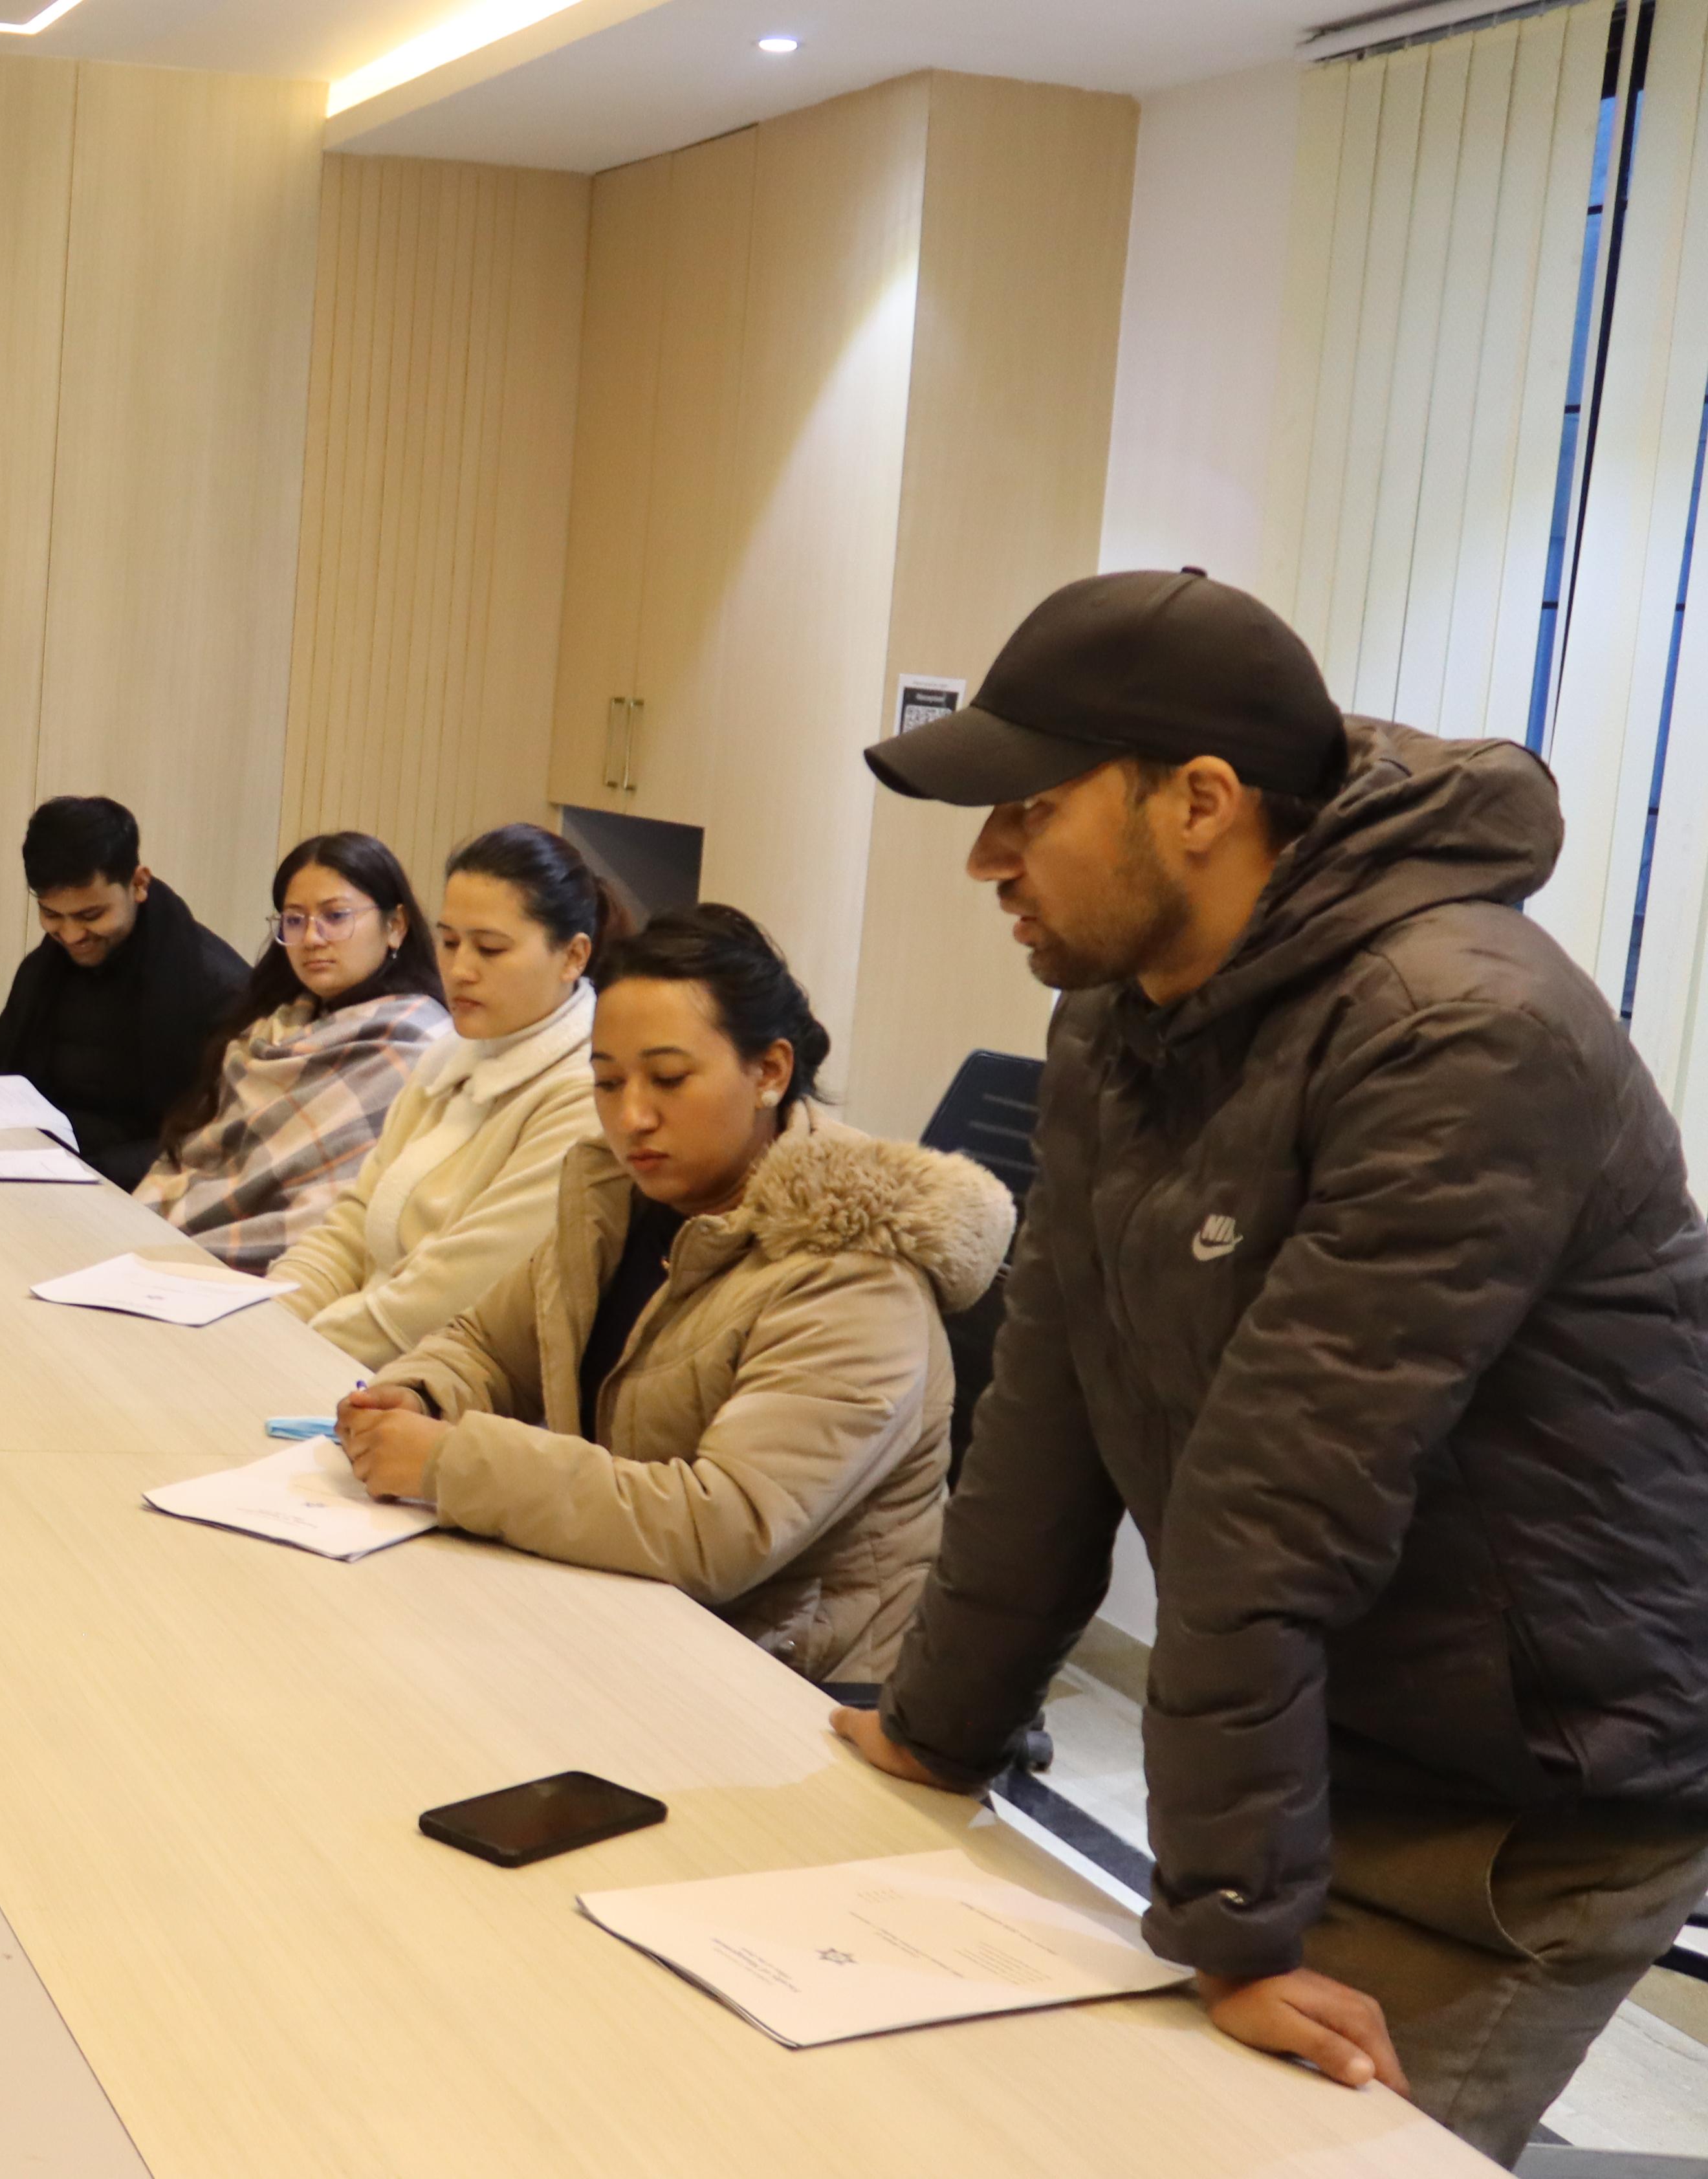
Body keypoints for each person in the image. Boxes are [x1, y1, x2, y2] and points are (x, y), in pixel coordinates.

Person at [840, 569, 1708, 2162]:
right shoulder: (1120, 1013)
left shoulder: (1462, 1032)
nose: (986, 858)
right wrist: (936, 1729)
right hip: (1331, 1724)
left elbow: (1276, 1502)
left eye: (1030, 809)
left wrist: (1235, 1926)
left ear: (1200, 802)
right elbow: (1053, 1396)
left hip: (1536, 1793)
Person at [335, 906, 1010, 1683]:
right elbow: (489, 1345)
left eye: (669, 1079)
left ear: (770, 1072)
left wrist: (451, 1462)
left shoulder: (852, 1269)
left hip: (800, 1680)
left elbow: (723, 1529)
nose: (632, 1117)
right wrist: (418, 1396)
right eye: (607, 1081)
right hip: (634, 1621)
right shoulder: (626, 1202)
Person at [274, 824, 624, 1366]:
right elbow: (352, 1225)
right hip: (343, 1353)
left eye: (490, 948)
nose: (460, 970)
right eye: (450, 942)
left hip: (430, 1382)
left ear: (573, 957)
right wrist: (272, 1315)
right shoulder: (451, 1053)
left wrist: (291, 1352)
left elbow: (445, 1300)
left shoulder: (585, 1095)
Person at [133, 833, 447, 1270]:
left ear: (395, 926)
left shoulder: (419, 1045)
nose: (313, 938)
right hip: (176, 1245)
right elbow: (197, 1160)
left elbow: (338, 1209)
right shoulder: (269, 1028)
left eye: (335, 916)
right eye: (295, 920)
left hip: (303, 1274)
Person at [0, 795, 250, 1188]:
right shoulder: (45, 968)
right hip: (39, 1170)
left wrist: (87, 1173)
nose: (72, 935)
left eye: (91, 915)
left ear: (139, 884)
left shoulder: (218, 985)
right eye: (52, 915)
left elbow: (219, 1140)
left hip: (143, 1189)